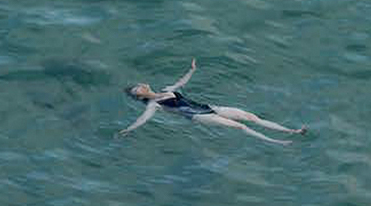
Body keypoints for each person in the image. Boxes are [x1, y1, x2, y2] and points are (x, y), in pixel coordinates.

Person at [118, 60, 307, 144]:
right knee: (239, 127)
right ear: (140, 97)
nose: (140, 89)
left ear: (145, 85)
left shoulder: (167, 90)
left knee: (250, 116)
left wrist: (192, 70)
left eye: (138, 87)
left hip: (208, 108)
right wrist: (129, 129)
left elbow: (181, 82)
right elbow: (143, 119)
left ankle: (291, 130)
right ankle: (276, 141)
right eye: (137, 92)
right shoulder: (154, 105)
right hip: (198, 117)